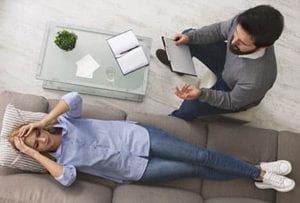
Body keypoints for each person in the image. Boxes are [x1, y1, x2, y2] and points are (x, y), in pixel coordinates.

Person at [8, 92, 295, 192]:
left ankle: (259, 173)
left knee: (201, 156)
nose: (41, 138)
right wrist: (30, 154)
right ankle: (257, 173)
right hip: (135, 171)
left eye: (37, 133)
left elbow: (73, 97)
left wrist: (42, 120)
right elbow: (67, 179)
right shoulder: (60, 163)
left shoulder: (66, 121)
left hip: (140, 139)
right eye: (36, 143)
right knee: (195, 169)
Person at [156, 5, 284, 121]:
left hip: (231, 90)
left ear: (264, 45)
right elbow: (218, 31)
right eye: (235, 34)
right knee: (188, 36)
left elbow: (232, 102)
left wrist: (202, 94)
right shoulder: (242, 22)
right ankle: (177, 63)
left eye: (242, 43)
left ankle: (174, 121)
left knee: (191, 105)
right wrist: (191, 37)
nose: (233, 42)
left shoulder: (257, 79)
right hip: (227, 63)